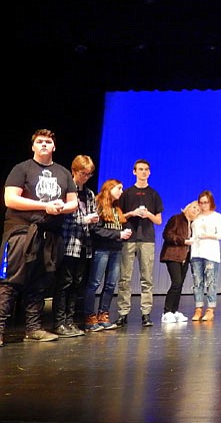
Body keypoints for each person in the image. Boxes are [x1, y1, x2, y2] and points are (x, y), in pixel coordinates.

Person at [0, 129, 78, 347]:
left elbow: (73, 202)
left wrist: (62, 208)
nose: (44, 144)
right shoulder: (22, 168)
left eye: (48, 142)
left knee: (39, 283)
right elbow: (10, 199)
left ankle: (33, 328)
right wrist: (45, 205)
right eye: (40, 142)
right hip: (21, 232)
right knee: (11, 281)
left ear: (54, 147)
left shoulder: (63, 173)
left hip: (49, 234)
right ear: (33, 146)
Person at [115, 159, 163, 328]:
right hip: (129, 238)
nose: (143, 172)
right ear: (134, 172)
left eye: (146, 169)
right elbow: (119, 217)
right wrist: (132, 213)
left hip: (147, 239)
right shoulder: (126, 193)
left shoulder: (154, 194)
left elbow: (158, 220)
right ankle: (122, 313)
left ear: (149, 173)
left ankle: (146, 313)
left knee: (147, 278)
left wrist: (148, 214)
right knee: (125, 278)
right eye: (140, 169)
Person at [52, 155, 97, 338]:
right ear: (74, 171)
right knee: (64, 283)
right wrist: (82, 220)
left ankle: (70, 321)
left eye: (89, 174)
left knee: (77, 284)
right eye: (83, 173)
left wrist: (93, 220)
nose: (85, 177)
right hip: (68, 242)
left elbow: (92, 215)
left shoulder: (89, 194)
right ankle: (59, 322)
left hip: (84, 245)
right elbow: (61, 216)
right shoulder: (65, 190)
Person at [85, 179, 132, 331]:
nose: (121, 191)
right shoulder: (98, 204)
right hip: (102, 249)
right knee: (94, 283)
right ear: (110, 188)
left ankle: (103, 314)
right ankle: (89, 317)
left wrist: (124, 233)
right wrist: (118, 234)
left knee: (111, 284)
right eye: (119, 188)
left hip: (116, 249)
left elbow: (119, 226)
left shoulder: (116, 208)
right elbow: (96, 229)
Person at [158, 200, 200, 324]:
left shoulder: (192, 224)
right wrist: (183, 241)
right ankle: (166, 312)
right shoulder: (177, 219)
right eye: (194, 207)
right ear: (187, 207)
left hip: (185, 257)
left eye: (198, 210)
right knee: (176, 282)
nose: (195, 210)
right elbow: (167, 234)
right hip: (172, 255)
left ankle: (174, 311)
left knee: (180, 284)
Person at [190, 190, 221, 322]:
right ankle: (198, 308)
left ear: (211, 203)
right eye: (201, 203)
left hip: (210, 253)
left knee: (211, 281)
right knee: (197, 282)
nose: (203, 205)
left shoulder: (216, 216)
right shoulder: (196, 217)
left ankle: (210, 309)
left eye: (206, 202)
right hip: (196, 252)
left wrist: (207, 236)